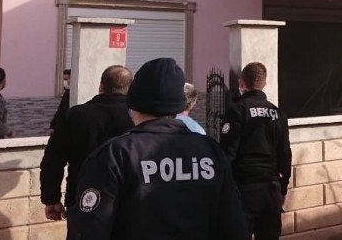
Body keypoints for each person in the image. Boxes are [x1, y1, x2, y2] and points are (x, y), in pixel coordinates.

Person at [67, 58, 248, 240]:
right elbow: (233, 226)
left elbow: (89, 229)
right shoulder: (211, 152)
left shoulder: (115, 155)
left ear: (133, 103)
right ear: (179, 105)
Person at [40, 65, 134, 222]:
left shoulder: (76, 115)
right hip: (127, 203)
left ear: (101, 86)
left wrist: (51, 198)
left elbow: (53, 160)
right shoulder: (136, 118)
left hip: (82, 199)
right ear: (130, 89)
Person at [220, 62, 292, 240]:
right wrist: (283, 188)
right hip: (271, 188)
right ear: (264, 84)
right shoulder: (278, 113)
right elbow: (285, 154)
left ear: (241, 83)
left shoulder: (237, 111)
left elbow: (228, 154)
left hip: (244, 189)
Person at [49, 68, 71, 133]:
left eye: (66, 79)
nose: (64, 82)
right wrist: (53, 125)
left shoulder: (71, 94)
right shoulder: (66, 93)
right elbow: (60, 110)